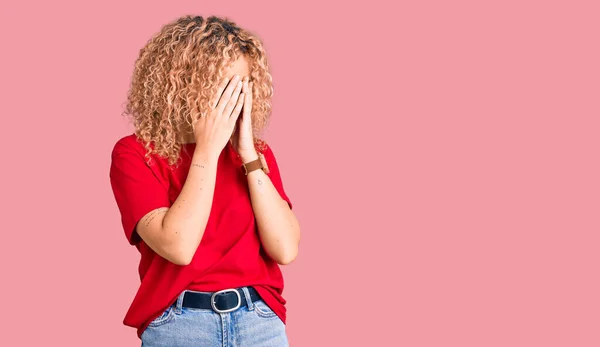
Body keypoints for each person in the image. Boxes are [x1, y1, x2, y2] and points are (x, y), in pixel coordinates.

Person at [109, 15, 300, 346]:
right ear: (180, 83)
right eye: (223, 87)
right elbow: (179, 246)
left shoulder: (256, 153)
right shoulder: (134, 154)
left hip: (258, 321)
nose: (234, 99)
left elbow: (285, 248)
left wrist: (246, 153)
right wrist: (207, 151)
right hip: (179, 325)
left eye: (242, 86)